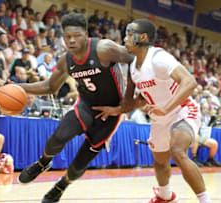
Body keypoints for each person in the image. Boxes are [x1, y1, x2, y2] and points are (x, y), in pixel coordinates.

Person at [17, 13, 133, 203]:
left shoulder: (104, 48)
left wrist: (126, 103)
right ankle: (43, 162)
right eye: (67, 36)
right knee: (58, 138)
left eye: (76, 35)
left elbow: (136, 60)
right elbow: (50, 87)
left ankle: (61, 185)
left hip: (110, 114)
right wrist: (19, 87)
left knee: (78, 165)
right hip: (86, 105)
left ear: (86, 34)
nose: (71, 40)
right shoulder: (66, 60)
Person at [93, 19, 211, 203]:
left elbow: (190, 82)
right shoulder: (132, 66)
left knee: (178, 152)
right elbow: (136, 101)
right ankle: (166, 197)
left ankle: (205, 200)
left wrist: (166, 107)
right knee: (160, 161)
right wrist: (114, 110)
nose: (125, 38)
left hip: (182, 109)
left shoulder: (158, 58)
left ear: (143, 37)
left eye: (130, 34)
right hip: (160, 117)